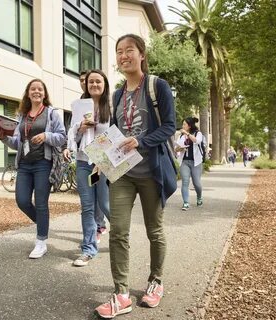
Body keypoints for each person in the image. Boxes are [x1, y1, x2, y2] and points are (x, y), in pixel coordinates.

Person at [95, 34, 177, 318]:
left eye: (129, 50)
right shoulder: (117, 94)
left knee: (154, 230)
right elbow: (116, 134)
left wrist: (140, 141)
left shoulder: (157, 87)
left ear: (141, 54)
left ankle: (156, 281)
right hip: (124, 174)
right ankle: (121, 293)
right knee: (118, 231)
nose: (123, 56)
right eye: (119, 52)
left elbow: (169, 126)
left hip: (151, 173)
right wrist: (101, 160)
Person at [0, 79, 66, 259]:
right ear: (28, 93)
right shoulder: (22, 116)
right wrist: (2, 137)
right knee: (22, 200)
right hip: (25, 164)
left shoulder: (51, 114)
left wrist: (46, 135)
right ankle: (42, 222)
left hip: (43, 163)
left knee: (41, 203)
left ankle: (41, 241)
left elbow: (62, 137)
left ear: (44, 93)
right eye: (33, 89)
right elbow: (17, 143)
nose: (36, 92)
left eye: (40, 89)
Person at [64, 69, 111, 267]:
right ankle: (88, 249)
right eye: (90, 82)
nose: (94, 85)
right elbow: (72, 137)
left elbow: (115, 135)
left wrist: (102, 159)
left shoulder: (111, 106)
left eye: (98, 82)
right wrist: (81, 128)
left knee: (106, 205)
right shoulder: (79, 107)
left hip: (105, 161)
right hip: (84, 162)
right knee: (88, 207)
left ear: (104, 84)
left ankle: (121, 239)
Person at [175, 117, 204, 211]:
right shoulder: (181, 136)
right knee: (185, 182)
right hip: (184, 162)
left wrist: (187, 134)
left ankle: (199, 197)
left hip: (196, 162)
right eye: (182, 124)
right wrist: (180, 148)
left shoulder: (198, 133)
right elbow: (176, 149)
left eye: (184, 124)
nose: (182, 126)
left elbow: (197, 141)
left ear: (189, 125)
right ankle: (186, 202)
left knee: (197, 183)